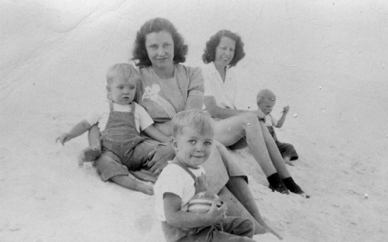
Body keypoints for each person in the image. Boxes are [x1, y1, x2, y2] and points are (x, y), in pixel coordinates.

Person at [85, 18, 282, 239]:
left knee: (215, 150)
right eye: (153, 46)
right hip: (158, 149)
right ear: (145, 49)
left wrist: (175, 145)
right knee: (208, 155)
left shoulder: (192, 74)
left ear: (175, 45)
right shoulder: (138, 77)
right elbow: (113, 106)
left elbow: (192, 119)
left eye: (166, 45)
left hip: (184, 142)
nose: (161, 52)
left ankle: (259, 223)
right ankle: (258, 231)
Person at [202, 29, 308, 197]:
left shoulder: (230, 74)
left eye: (231, 49)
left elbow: (229, 107)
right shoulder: (205, 72)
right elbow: (214, 110)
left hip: (227, 131)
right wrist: (246, 114)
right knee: (251, 117)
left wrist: (248, 116)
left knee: (257, 121)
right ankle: (274, 180)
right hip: (211, 128)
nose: (227, 53)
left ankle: (288, 180)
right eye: (223, 48)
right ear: (214, 48)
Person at [57, 63, 171, 195]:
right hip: (110, 152)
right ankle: (135, 185)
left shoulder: (138, 109)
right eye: (120, 87)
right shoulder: (103, 108)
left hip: (134, 151)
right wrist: (70, 134)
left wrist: (167, 140)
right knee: (104, 163)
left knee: (156, 147)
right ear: (109, 90)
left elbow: (150, 129)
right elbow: (85, 124)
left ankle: (163, 171)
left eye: (131, 87)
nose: (126, 92)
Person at [154, 110, 256, 242]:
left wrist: (214, 205)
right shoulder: (174, 175)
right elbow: (172, 218)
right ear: (175, 144)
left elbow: (197, 198)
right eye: (192, 141)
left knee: (245, 226)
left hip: (200, 224)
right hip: (185, 234)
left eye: (207, 143)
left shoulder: (197, 169)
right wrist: (207, 219)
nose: (200, 148)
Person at [256, 89, 298, 166]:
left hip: (274, 142)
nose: (270, 109)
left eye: (271, 107)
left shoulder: (270, 116)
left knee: (289, 147)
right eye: (267, 106)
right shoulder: (256, 115)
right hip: (264, 143)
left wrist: (284, 114)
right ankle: (276, 156)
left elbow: (278, 125)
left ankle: (286, 158)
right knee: (269, 151)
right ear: (259, 104)